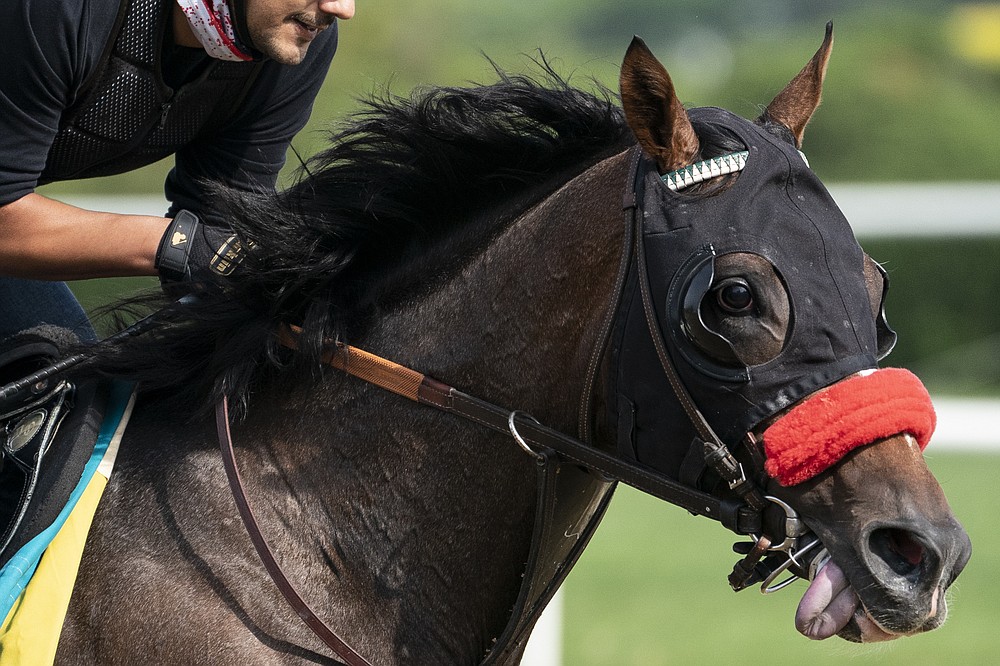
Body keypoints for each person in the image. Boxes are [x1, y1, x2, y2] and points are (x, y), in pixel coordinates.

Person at [0, 0, 356, 343]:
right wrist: (177, 244)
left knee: (82, 396)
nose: (343, 8)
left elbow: (219, 234)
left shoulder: (291, 45)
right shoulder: (56, 8)